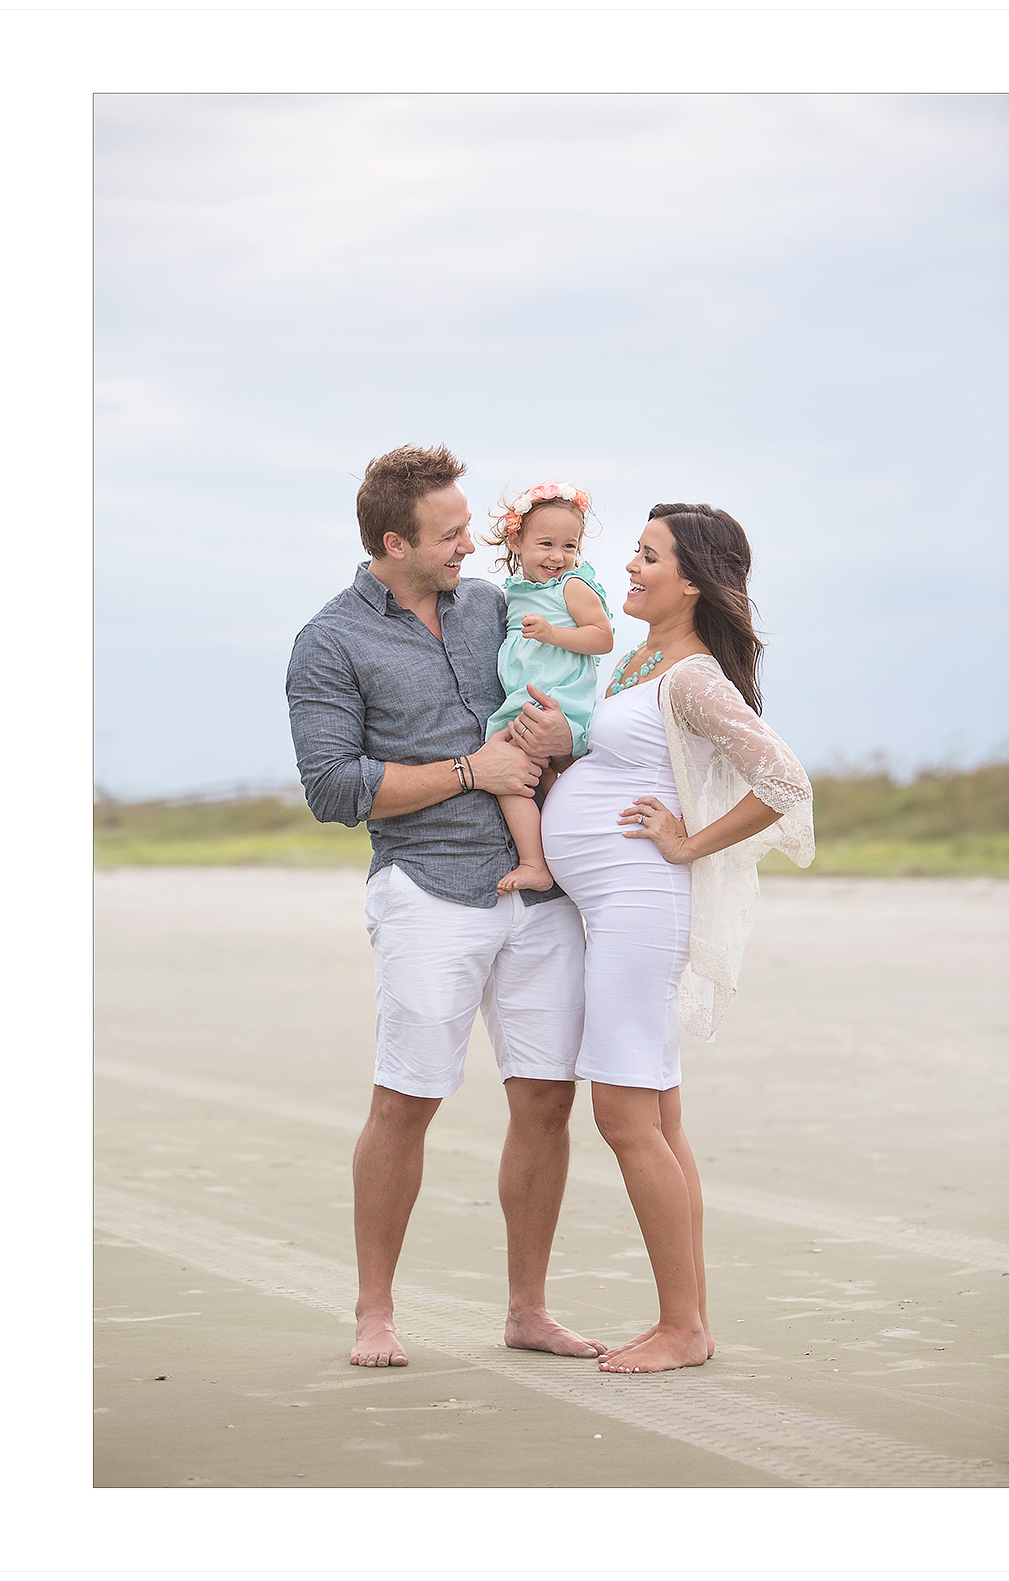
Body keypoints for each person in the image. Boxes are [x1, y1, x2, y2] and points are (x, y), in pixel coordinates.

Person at [286, 443, 605, 1368]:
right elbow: (334, 789)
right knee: (408, 1099)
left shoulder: (500, 608)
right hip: (427, 891)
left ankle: (527, 1310)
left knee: (548, 1099)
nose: (476, 544)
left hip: (540, 892)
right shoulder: (330, 640)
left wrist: (558, 743)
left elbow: (561, 700)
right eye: (454, 533)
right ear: (395, 541)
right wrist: (473, 769)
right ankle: (375, 1312)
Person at [539, 503, 814, 1374]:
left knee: (624, 1113)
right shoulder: (638, 662)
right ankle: (687, 1318)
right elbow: (629, 762)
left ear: (691, 578)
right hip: (613, 902)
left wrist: (689, 843)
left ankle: (682, 1327)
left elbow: (785, 778)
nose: (628, 567)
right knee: (657, 1113)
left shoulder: (692, 676)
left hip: (639, 903)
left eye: (647, 556)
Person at [475, 480, 615, 896]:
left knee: (509, 768)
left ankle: (536, 862)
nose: (558, 556)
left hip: (557, 699)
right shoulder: (516, 591)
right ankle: (571, 856)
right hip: (527, 697)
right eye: (546, 544)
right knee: (542, 778)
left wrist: (552, 633)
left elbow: (602, 638)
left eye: (569, 547)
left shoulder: (571, 586)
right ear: (516, 540)